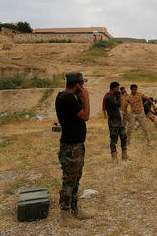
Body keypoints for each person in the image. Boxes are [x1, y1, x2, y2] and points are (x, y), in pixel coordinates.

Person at [55, 72, 95, 228]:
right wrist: (86, 97)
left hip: (75, 145)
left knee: (76, 179)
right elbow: (85, 116)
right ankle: (65, 216)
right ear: (78, 84)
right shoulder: (68, 98)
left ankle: (75, 209)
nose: (83, 86)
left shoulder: (64, 96)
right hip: (71, 147)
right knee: (69, 181)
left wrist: (81, 97)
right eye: (82, 84)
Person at [103, 82, 128, 163]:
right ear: (114, 88)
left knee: (124, 137)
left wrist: (117, 96)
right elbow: (118, 104)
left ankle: (124, 155)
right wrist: (118, 96)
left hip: (119, 121)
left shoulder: (113, 96)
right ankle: (114, 157)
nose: (118, 90)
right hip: (113, 122)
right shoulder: (108, 97)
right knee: (114, 140)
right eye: (117, 88)